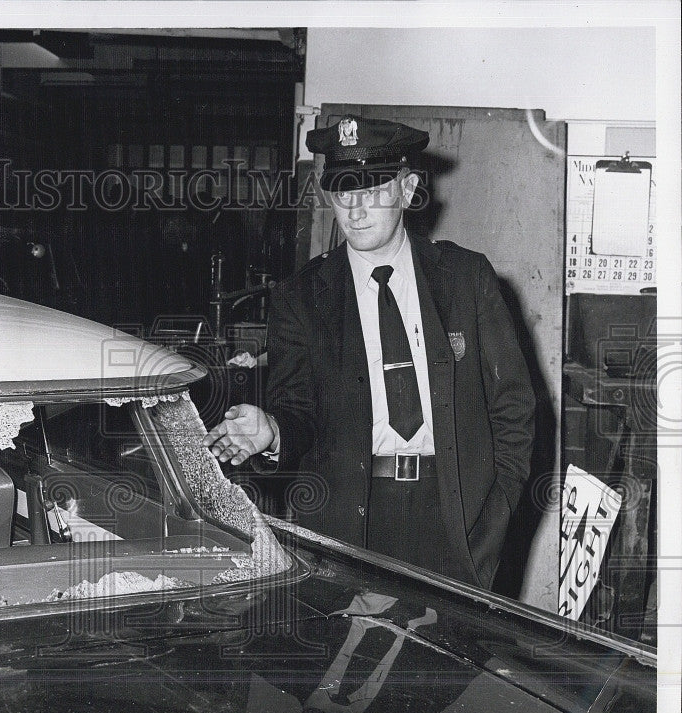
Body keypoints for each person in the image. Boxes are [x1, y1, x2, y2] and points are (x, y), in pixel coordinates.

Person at [203, 116, 535, 589]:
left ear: (408, 188)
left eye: (373, 190)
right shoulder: (302, 297)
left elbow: (513, 409)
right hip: (349, 521)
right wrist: (273, 429)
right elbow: (297, 408)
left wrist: (491, 516)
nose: (354, 210)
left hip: (455, 515)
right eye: (342, 192)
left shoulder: (466, 279)